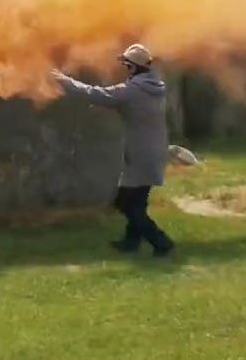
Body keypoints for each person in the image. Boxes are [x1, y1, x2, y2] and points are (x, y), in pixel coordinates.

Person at [52, 43, 174, 257]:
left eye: (127, 65)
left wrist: (63, 80)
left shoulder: (133, 90)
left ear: (134, 67)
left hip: (140, 154)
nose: (125, 68)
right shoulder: (155, 86)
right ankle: (131, 241)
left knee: (125, 203)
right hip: (153, 150)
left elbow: (94, 93)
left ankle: (160, 241)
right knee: (137, 201)